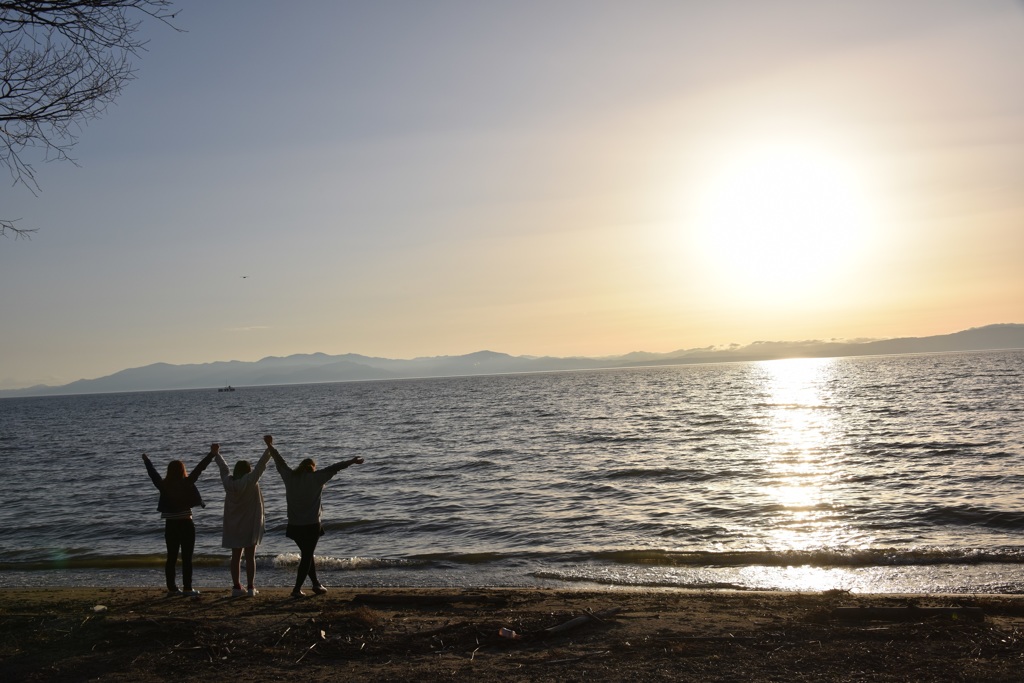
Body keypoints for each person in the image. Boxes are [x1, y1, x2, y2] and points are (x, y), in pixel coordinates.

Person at [264, 434, 364, 597]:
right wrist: (352, 461)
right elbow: (334, 467)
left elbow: (280, 461)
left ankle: (316, 584)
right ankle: (296, 589)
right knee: (307, 556)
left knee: (307, 554)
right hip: (311, 526)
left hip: (294, 526)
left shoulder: (290, 477)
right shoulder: (317, 478)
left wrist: (270, 446)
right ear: (312, 468)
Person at [142, 444, 217, 597]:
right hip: (186, 524)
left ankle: (172, 589)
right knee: (187, 557)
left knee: (171, 557)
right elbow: (199, 468)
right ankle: (188, 588)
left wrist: (147, 460)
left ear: (169, 471)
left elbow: (153, 474)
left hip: (170, 526)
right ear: (182, 470)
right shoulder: (186, 483)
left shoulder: (164, 485)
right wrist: (212, 454)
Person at [214, 442, 273, 597]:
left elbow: (223, 468)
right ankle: (251, 587)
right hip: (249, 523)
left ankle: (236, 587)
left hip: (233, 524)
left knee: (236, 556)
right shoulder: (250, 480)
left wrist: (216, 453)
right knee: (250, 556)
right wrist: (269, 447)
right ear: (248, 471)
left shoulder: (228, 483)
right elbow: (261, 465)